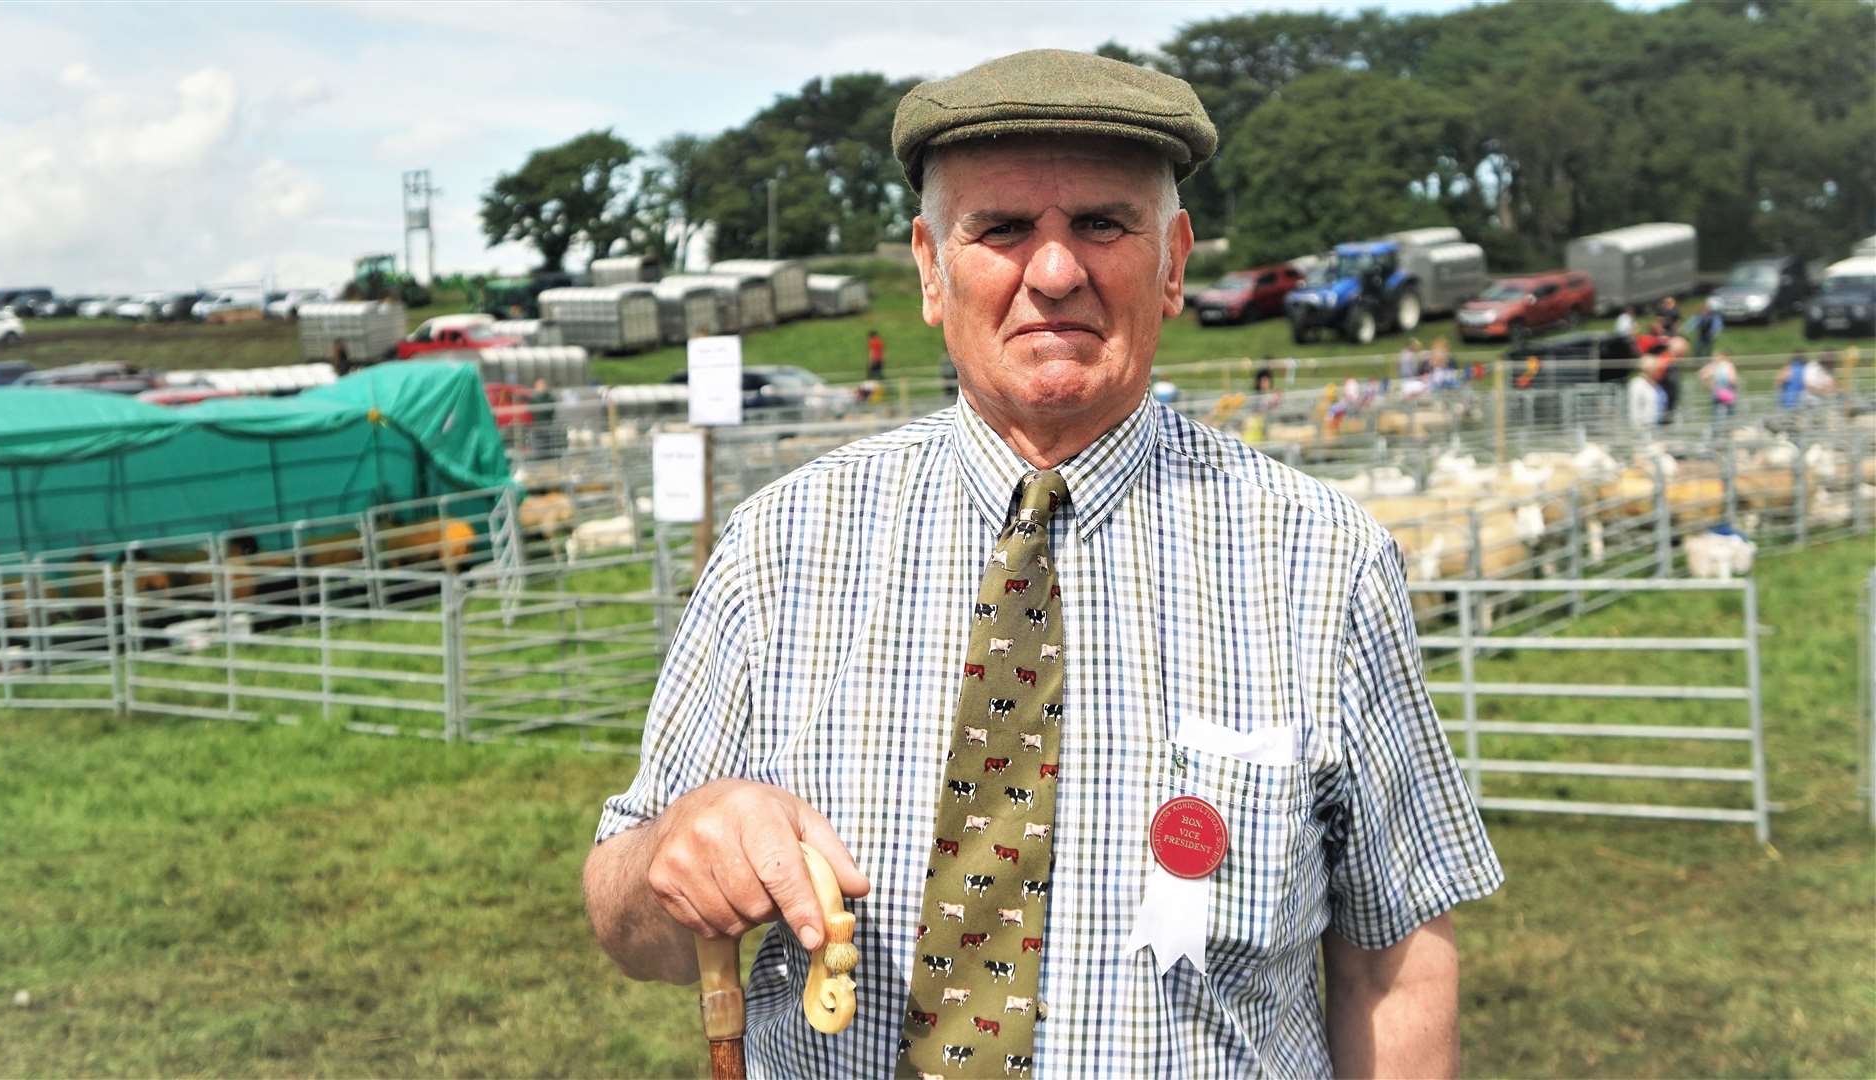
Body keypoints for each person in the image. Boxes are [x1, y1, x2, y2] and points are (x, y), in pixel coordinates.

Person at [582, 48, 1500, 1078]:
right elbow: (625, 918)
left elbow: (1395, 963)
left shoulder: (1324, 563)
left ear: (1175, 260)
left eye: (1103, 223)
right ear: (931, 268)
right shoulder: (779, 548)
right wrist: (677, 851)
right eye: (1004, 229)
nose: (1055, 270)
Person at [1698, 349, 1740, 421]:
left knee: (1715, 415)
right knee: (1730, 414)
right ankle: (1729, 429)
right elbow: (1733, 380)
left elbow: (1702, 375)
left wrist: (1708, 385)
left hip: (1716, 394)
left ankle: (1716, 430)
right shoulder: (1728, 365)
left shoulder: (1712, 366)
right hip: (1728, 394)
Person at [1628, 353, 1665, 431]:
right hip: (1643, 427)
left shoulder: (1658, 386)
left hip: (1657, 426)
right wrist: (1638, 428)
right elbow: (1634, 408)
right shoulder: (1637, 384)